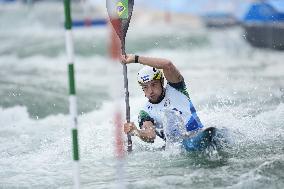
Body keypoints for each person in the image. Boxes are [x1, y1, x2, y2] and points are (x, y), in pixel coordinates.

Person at [121, 54, 204, 145]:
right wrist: (136, 132)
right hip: (175, 150)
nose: (150, 91)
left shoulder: (176, 88)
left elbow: (167, 65)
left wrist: (136, 59)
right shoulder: (145, 112)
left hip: (197, 135)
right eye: (145, 87)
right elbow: (150, 136)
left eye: (153, 84)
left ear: (162, 82)